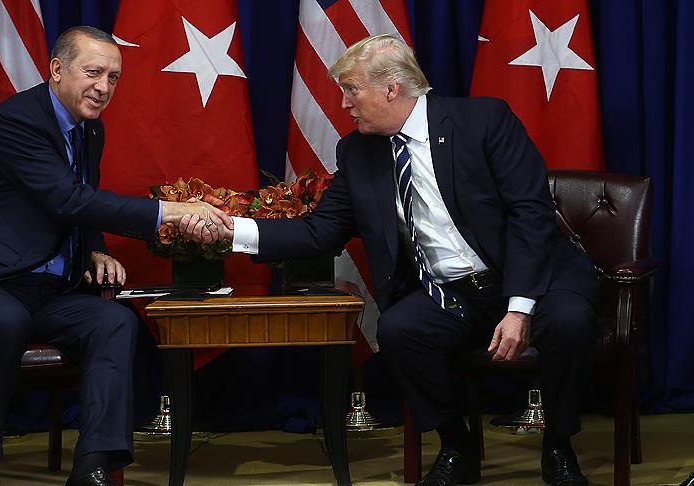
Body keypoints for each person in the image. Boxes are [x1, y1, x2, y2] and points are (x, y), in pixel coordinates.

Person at [182, 34, 598, 486]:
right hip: (454, 293)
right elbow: (319, 231)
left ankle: (559, 445)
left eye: (351, 89)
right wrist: (232, 230)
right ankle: (456, 446)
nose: (344, 104)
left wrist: (519, 308)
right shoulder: (359, 153)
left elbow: (530, 214)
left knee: (570, 322)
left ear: (391, 89)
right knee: (399, 331)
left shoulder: (483, 121)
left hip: (533, 277)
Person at [0, 26, 229, 486]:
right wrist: (173, 211)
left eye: (113, 77)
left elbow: (81, 198)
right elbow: (67, 198)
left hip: (47, 289)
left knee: (115, 321)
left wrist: (95, 247)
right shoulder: (18, 119)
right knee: (6, 320)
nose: (104, 87)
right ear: (57, 69)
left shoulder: (89, 128)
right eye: (93, 72)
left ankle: (94, 466)